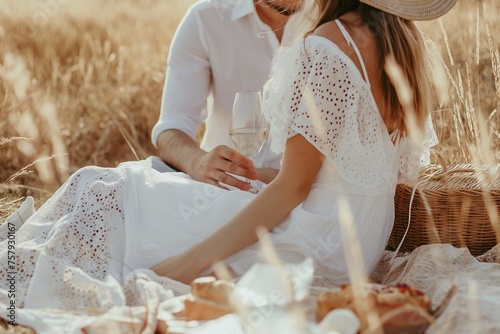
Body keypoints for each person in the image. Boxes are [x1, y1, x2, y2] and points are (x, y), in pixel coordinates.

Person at [0, 0, 456, 331]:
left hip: (309, 236)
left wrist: (187, 265)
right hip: (355, 241)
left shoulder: (324, 45)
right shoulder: (400, 44)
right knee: (121, 189)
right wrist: (226, 170)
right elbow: (345, 172)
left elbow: (293, 190)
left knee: (99, 188)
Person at [148, 0, 302, 191]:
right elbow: (172, 127)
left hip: (312, 198)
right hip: (221, 190)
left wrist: (267, 178)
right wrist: (198, 162)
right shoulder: (205, 18)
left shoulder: (340, 25)